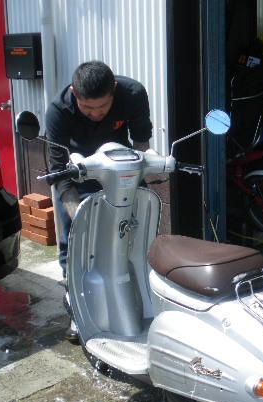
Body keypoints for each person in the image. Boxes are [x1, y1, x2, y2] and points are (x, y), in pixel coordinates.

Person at [45, 60, 152, 342]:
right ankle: (77, 309)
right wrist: (80, 217)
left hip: (120, 171)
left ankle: (138, 301)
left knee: (133, 239)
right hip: (77, 174)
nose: (95, 114)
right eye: (87, 108)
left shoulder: (133, 94)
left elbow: (142, 145)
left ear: (114, 89)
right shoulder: (58, 111)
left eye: (103, 107)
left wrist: (141, 180)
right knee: (74, 245)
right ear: (74, 93)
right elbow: (58, 172)